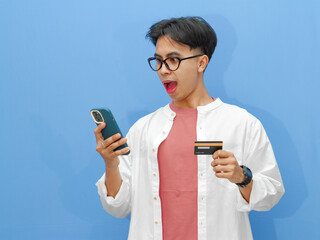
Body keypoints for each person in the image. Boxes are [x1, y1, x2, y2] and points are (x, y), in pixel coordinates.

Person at [94, 16, 284, 240]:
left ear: (201, 63)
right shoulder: (143, 129)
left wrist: (241, 177)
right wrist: (111, 164)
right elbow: (118, 206)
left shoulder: (241, 123)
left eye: (173, 59)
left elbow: (271, 194)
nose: (163, 70)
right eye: (158, 61)